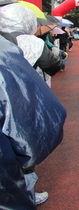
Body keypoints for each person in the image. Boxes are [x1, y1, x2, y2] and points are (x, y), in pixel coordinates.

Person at [0, 34, 67, 208]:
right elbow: (53, 65)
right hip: (23, 97)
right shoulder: (15, 44)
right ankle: (28, 191)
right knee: (22, 148)